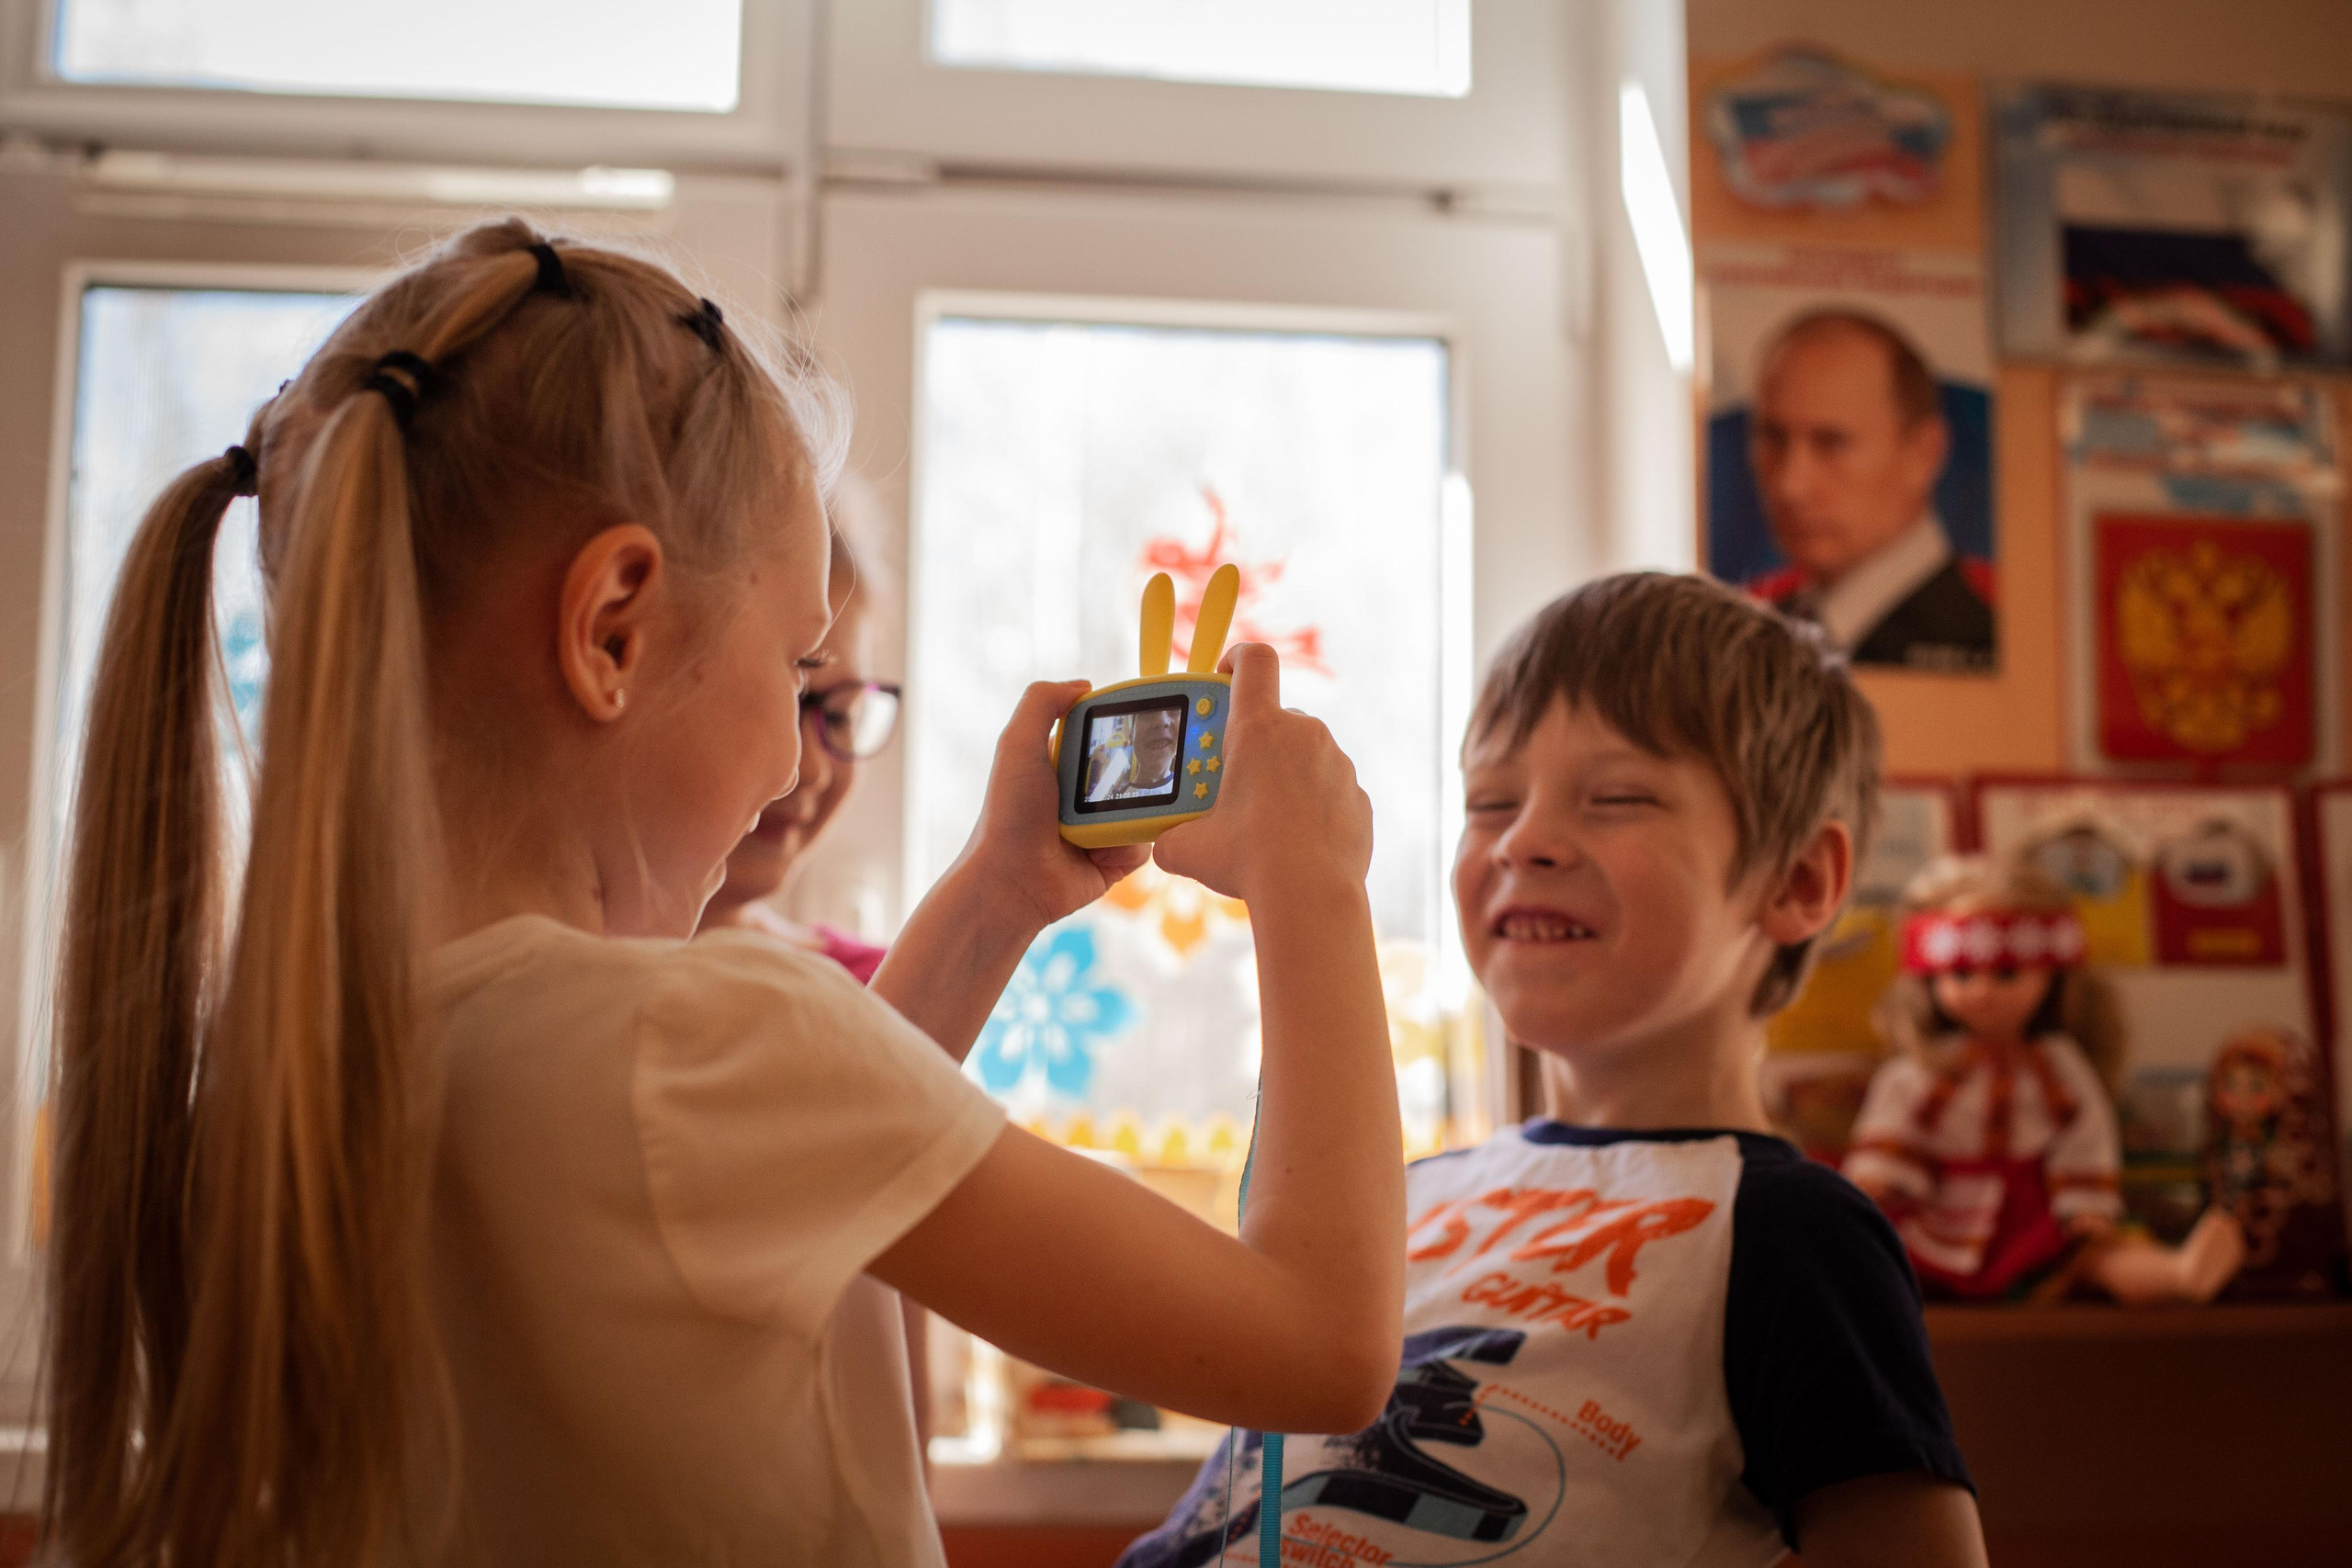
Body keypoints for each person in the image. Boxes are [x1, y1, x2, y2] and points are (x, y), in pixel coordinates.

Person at [45, 219, 1407, 1568]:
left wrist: (996, 897)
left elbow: (779, 1158)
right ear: (613, 629)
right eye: (795, 665)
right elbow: (1321, 1343)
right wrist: (1314, 884)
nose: (790, 748)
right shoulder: (698, 1041)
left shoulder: (270, 1073)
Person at [1122, 573, 1984, 1568]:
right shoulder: (1400, 1202)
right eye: (1489, 802)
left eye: (1617, 797)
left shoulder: (1795, 1238)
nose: (1523, 841)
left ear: (1795, 882)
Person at [1848, 856, 2245, 1304]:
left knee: (2095, 1258)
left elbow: (2084, 1136)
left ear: (2052, 980)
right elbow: (1897, 1132)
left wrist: (2086, 1205)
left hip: (2037, 1213)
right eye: (1960, 974)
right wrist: (1882, 1179)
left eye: (2007, 974)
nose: (1981, 991)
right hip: (1940, 1209)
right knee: (1885, 1257)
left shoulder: (2059, 1064)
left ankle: (2179, 1273)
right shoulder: (1922, 1068)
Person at [697, 518, 899, 983]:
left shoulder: (889, 992)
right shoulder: (533, 997)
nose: (809, 771)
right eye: (778, 700)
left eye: (840, 716)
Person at [1746, 310, 1994, 671]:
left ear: (1925, 453)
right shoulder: (1758, 628)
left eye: (1832, 443)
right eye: (1773, 438)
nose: (1790, 486)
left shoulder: (1980, 640)